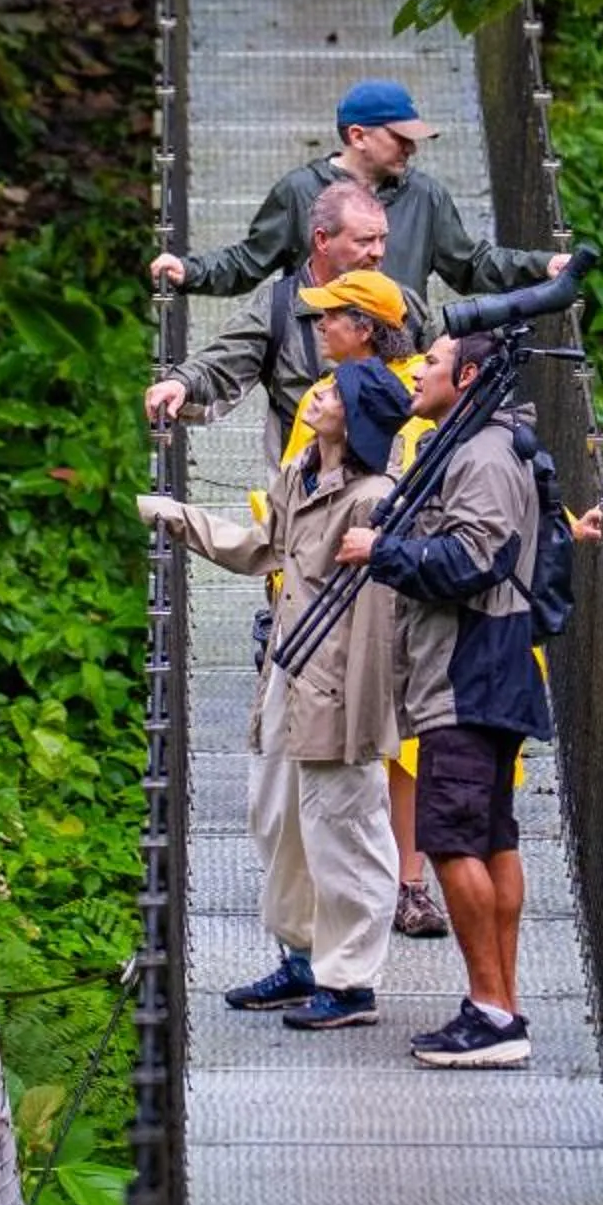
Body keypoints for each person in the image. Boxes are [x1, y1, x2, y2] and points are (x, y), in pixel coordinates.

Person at [143, 360, 417, 1031]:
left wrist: (366, 718)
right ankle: (301, 958)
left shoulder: (374, 499)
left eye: (332, 392)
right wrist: (174, 518)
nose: (317, 394)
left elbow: (383, 622)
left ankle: (350, 982)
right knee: (280, 824)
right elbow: (264, 549)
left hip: (339, 693)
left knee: (346, 832)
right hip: (286, 674)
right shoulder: (301, 475)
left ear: (354, 418)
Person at [338, 331, 553, 1069]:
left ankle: (492, 1013)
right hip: (488, 668)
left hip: (469, 670)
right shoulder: (478, 445)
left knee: (454, 839)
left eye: (430, 362)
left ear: (465, 376)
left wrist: (382, 552)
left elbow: (474, 557)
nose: (418, 371)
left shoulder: (483, 455)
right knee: (492, 838)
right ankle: (502, 1005)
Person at [270, 269, 451, 942]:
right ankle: (394, 891)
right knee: (385, 752)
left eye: (331, 317)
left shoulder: (381, 391)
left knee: (387, 753)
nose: (319, 327)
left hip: (382, 595)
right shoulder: (372, 390)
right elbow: (300, 489)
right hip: (373, 593)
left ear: (364, 329)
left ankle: (369, 920)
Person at [148, 80, 572, 306]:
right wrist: (189, 272)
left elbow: (471, 265)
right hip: (313, 371)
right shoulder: (300, 193)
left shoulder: (425, 196)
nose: (411, 147)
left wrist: (542, 265)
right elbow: (248, 261)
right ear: (358, 135)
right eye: (400, 137)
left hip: (398, 371)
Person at [142, 179, 396, 459]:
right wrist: (181, 383)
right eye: (364, 241)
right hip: (308, 490)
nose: (378, 252)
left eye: (382, 239)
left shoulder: (402, 304)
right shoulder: (276, 309)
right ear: (322, 240)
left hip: (392, 486)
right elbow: (225, 361)